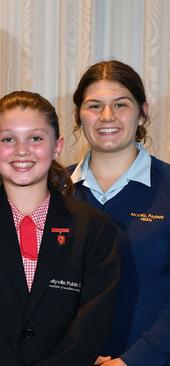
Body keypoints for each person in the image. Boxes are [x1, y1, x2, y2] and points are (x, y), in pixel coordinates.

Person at [0, 91, 120, 365]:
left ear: (57, 146)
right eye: (8, 139)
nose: (22, 150)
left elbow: (90, 327)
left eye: (35, 138)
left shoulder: (94, 229)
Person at [70, 60, 170, 366]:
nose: (107, 117)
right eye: (94, 106)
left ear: (143, 112)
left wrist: (135, 360)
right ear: (78, 115)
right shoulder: (52, 192)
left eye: (120, 104)